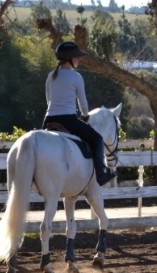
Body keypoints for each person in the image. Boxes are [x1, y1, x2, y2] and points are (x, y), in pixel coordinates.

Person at [42, 41, 116, 186]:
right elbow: (83, 103)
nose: (78, 59)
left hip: (48, 119)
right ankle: (101, 175)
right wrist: (85, 115)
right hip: (69, 119)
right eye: (76, 57)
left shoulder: (51, 76)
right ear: (70, 59)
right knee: (97, 139)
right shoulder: (76, 77)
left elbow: (48, 99)